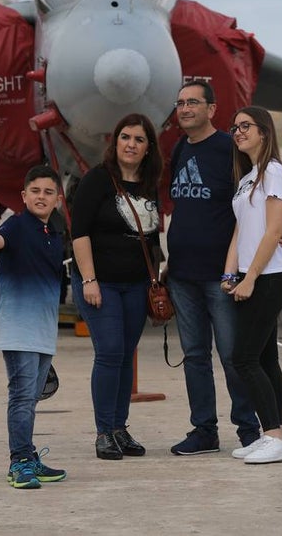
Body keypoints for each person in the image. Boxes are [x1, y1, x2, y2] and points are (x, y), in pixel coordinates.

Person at [165, 80, 262, 456]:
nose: (185, 108)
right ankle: (204, 430)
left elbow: (250, 204)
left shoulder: (228, 149)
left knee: (233, 355)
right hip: (182, 274)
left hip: (220, 275)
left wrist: (234, 267)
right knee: (194, 356)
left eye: (193, 102)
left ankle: (249, 431)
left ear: (212, 109)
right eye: (181, 103)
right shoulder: (178, 150)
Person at [70, 113, 163, 460]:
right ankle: (103, 431)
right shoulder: (97, 180)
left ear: (148, 148)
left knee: (126, 356)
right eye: (126, 137)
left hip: (137, 285)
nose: (131, 144)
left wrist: (157, 278)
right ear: (116, 142)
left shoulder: (150, 183)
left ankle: (120, 428)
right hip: (101, 284)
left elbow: (153, 237)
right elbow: (79, 234)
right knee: (109, 353)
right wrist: (90, 280)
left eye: (139, 140)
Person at [0, 164, 69, 489]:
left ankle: (29, 456)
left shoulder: (52, 234)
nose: (41, 197)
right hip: (19, 330)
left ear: (57, 199)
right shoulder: (16, 226)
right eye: (35, 191)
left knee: (30, 398)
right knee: (21, 397)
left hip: (43, 330)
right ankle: (19, 462)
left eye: (48, 192)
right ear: (24, 196)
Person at [223, 105, 282, 464]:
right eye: (234, 128)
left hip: (270, 278)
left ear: (264, 131)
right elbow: (241, 230)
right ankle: (273, 433)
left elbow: (272, 230)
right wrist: (229, 273)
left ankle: (274, 436)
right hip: (251, 276)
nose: (238, 132)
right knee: (265, 360)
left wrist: (250, 278)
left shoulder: (274, 173)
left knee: (244, 358)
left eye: (245, 126)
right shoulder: (247, 177)